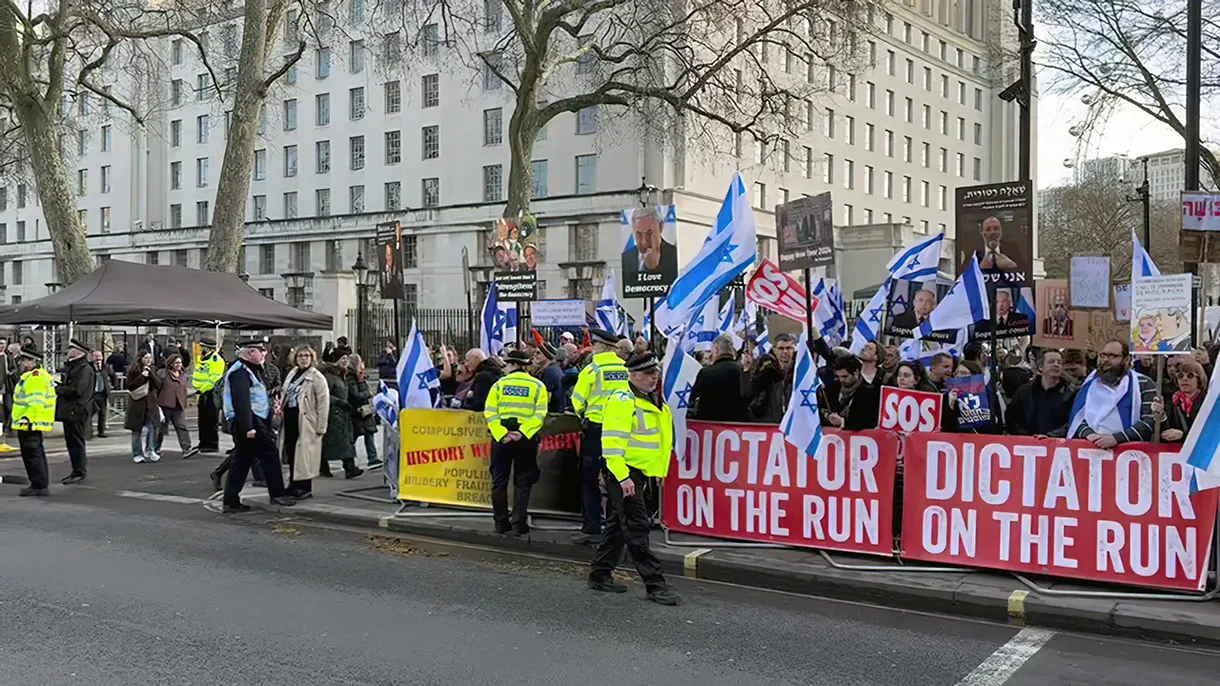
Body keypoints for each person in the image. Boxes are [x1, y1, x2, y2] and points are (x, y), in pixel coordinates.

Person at [588, 352, 679, 606]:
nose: (654, 378)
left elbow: (661, 441)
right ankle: (655, 585)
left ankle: (600, 573)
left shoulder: (653, 399)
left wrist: (659, 473)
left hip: (639, 472)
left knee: (619, 526)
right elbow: (612, 443)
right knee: (637, 528)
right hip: (624, 472)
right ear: (633, 375)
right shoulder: (623, 400)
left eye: (656, 373)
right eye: (649, 374)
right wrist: (623, 477)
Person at [570, 328, 631, 545]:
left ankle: (592, 527)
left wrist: (585, 414)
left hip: (596, 429)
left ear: (598, 347)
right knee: (616, 476)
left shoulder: (592, 370)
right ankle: (617, 526)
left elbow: (577, 401)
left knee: (590, 479)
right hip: (621, 428)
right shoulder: (625, 369)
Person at [220, 339, 296, 513]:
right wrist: (248, 428)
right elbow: (242, 402)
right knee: (270, 455)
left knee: (242, 461)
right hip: (250, 422)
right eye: (260, 350)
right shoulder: (240, 372)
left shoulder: (249, 369)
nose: (264, 353)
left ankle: (230, 501)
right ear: (249, 352)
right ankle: (278, 494)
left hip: (253, 421)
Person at [483, 349, 549, 535]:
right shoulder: (538, 386)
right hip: (525, 440)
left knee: (499, 481)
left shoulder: (498, 385)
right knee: (523, 481)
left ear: (513, 365)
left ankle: (501, 523)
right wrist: (522, 432)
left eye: (506, 364)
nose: (504, 368)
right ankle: (519, 523)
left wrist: (501, 433)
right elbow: (540, 414)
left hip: (501, 439)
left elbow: (490, 412)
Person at [1069, 339, 1158, 448]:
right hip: (1091, 449)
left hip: (1130, 454)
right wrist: (1090, 435)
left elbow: (1150, 421)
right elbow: (1078, 417)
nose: (1105, 360)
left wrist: (1116, 438)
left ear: (1126, 359)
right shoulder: (1089, 384)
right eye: (1103, 355)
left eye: (1112, 356)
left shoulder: (1144, 384)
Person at [280, 346, 330, 498]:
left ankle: (305, 487)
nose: (303, 358)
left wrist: (321, 426)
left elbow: (323, 403)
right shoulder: (292, 373)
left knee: (305, 456)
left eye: (307, 355)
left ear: (312, 358)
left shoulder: (317, 377)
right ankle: (293, 483)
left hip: (307, 421)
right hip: (290, 418)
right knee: (292, 452)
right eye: (300, 355)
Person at [13, 349, 56, 497]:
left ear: (32, 361)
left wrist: (28, 418)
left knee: (32, 455)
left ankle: (39, 485)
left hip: (29, 423)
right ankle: (38, 484)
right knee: (35, 453)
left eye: (24, 361)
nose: (22, 364)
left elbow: (36, 401)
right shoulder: (37, 375)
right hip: (31, 422)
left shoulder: (35, 378)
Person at [1005, 349, 1076, 437]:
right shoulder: (1024, 391)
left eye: (1059, 362)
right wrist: (1027, 437)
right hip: (1027, 444)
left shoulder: (1070, 394)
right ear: (1041, 367)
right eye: (1051, 362)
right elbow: (1011, 418)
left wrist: (1050, 437)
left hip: (1057, 445)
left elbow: (1072, 422)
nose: (1056, 365)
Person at [57, 338, 96, 485]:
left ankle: (80, 470)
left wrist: (58, 389)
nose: (68, 352)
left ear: (79, 352)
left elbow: (77, 390)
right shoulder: (75, 367)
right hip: (72, 410)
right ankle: (76, 469)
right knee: (71, 442)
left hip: (78, 410)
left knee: (77, 442)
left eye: (71, 349)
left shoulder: (84, 369)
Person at [319, 359, 364, 479]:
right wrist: (338, 403)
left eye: (347, 358)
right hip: (332, 414)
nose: (345, 361)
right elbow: (324, 394)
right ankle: (343, 467)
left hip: (342, 414)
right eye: (342, 358)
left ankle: (348, 467)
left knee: (344, 442)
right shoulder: (330, 376)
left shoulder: (342, 375)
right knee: (335, 442)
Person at [690, 335, 751, 422]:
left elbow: (697, 400)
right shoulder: (741, 371)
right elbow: (748, 396)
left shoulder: (706, 373)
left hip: (710, 426)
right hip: (737, 426)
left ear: (717, 350)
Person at [152, 353, 198, 459]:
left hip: (178, 406)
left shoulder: (183, 375)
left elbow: (184, 390)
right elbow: (156, 387)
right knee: (161, 429)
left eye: (180, 363)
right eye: (176, 362)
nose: (179, 365)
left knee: (182, 427)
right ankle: (155, 449)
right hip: (165, 405)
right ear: (171, 363)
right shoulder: (163, 374)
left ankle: (187, 449)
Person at [821, 356, 880, 430]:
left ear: (856, 373)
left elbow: (869, 422)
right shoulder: (832, 389)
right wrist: (827, 416)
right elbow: (822, 409)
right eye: (838, 376)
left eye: (845, 376)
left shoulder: (870, 393)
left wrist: (843, 422)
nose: (841, 380)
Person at [749, 332, 798, 422]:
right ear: (775, 350)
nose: (785, 352)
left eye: (788, 348)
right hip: (770, 422)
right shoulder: (765, 370)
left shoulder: (800, 370)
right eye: (781, 348)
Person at [1158, 359, 1207, 442]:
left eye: (1190, 376)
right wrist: (1161, 415)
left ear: (1199, 379)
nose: (1184, 379)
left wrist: (1183, 435)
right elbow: (1164, 432)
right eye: (1180, 376)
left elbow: (1209, 433)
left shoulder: (1207, 402)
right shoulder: (1173, 401)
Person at [347, 354, 381, 470]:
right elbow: (355, 395)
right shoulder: (351, 378)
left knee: (369, 433)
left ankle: (372, 457)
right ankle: (349, 461)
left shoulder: (359, 376)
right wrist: (367, 392)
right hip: (356, 410)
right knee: (355, 436)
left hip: (363, 410)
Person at [192, 337, 225, 453]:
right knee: (202, 419)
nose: (201, 349)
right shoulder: (203, 359)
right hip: (202, 393)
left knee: (211, 420)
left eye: (202, 347)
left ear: (207, 348)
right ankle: (203, 442)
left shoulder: (216, 360)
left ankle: (211, 444)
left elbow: (214, 378)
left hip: (210, 393)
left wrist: (203, 388)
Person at [89, 349, 116, 438]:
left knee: (102, 413)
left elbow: (113, 376)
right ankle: (89, 431)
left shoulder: (106, 367)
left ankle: (101, 431)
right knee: (90, 413)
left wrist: (113, 386)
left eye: (100, 356)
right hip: (92, 394)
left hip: (103, 393)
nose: (98, 359)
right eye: (96, 357)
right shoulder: (89, 367)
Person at [533, 342, 565, 414]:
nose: (535, 355)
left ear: (547, 355)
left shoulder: (549, 372)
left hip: (553, 414)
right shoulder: (553, 368)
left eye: (538, 353)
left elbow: (546, 397)